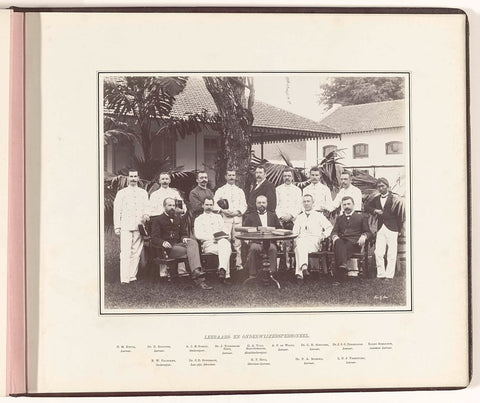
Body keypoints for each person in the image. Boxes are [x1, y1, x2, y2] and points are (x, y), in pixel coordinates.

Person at [150, 197, 212, 290]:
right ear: (164, 206)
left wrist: (184, 238)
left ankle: (195, 272)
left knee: (193, 243)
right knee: (192, 252)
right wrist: (162, 242)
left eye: (173, 205)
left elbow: (183, 233)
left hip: (179, 245)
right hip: (168, 249)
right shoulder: (158, 219)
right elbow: (154, 238)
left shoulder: (178, 218)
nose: (172, 207)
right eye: (169, 205)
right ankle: (199, 278)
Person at [113, 170, 149, 284]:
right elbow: (117, 210)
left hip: (139, 225)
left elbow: (147, 207)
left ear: (138, 178)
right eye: (131, 176)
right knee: (125, 251)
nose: (133, 178)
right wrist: (117, 226)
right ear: (128, 178)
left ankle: (132, 276)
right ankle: (124, 278)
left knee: (136, 251)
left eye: (135, 176)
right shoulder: (122, 193)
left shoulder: (143, 193)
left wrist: (146, 215)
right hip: (125, 225)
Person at [366, 178, 404, 279]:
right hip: (380, 228)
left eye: (383, 186)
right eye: (379, 186)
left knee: (391, 253)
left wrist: (399, 230)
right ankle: (381, 274)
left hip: (393, 228)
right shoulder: (376, 198)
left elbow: (400, 216)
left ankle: (389, 275)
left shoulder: (395, 198)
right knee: (378, 252)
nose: (381, 188)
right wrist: (375, 210)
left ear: (387, 186)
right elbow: (366, 207)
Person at [331, 196, 372, 285]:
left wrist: (364, 236)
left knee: (341, 247)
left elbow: (368, 232)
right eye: (344, 204)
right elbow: (334, 231)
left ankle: (339, 276)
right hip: (341, 241)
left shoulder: (361, 217)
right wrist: (335, 237)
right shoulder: (339, 218)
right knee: (338, 242)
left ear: (353, 205)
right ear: (342, 206)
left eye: (349, 204)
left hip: (354, 243)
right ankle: (343, 266)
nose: (347, 206)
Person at [292, 194, 333, 283]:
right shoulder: (299, 217)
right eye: (304, 201)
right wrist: (295, 239)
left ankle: (300, 272)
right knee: (300, 243)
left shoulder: (319, 216)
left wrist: (323, 235)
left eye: (308, 201)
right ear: (302, 203)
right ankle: (303, 269)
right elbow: (294, 232)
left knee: (299, 246)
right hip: (301, 240)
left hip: (314, 241)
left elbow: (330, 227)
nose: (306, 203)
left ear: (313, 203)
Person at [213, 170, 247, 271]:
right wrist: (222, 211)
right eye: (229, 175)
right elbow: (214, 204)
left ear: (235, 177)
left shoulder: (240, 191)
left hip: (237, 219)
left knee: (238, 243)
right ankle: (225, 266)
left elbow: (244, 205)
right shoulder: (220, 190)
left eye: (233, 175)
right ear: (225, 176)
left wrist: (238, 211)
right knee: (225, 241)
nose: (231, 177)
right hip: (225, 220)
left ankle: (238, 265)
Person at [194, 198, 232, 284]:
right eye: (207, 205)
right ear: (202, 206)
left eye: (211, 205)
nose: (209, 207)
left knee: (224, 243)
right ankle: (224, 273)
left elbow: (225, 229)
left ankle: (222, 270)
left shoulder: (218, 217)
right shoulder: (199, 219)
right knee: (226, 248)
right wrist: (213, 238)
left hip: (221, 242)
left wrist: (226, 235)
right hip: (208, 244)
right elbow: (198, 235)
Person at [243, 195, 281, 279]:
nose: (261, 204)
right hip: (256, 242)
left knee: (272, 249)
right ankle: (252, 274)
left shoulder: (273, 215)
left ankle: (271, 273)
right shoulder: (250, 216)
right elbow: (245, 230)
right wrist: (248, 240)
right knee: (253, 248)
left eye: (263, 202)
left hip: (270, 242)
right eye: (259, 203)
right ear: (256, 204)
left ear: (267, 203)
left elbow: (279, 229)